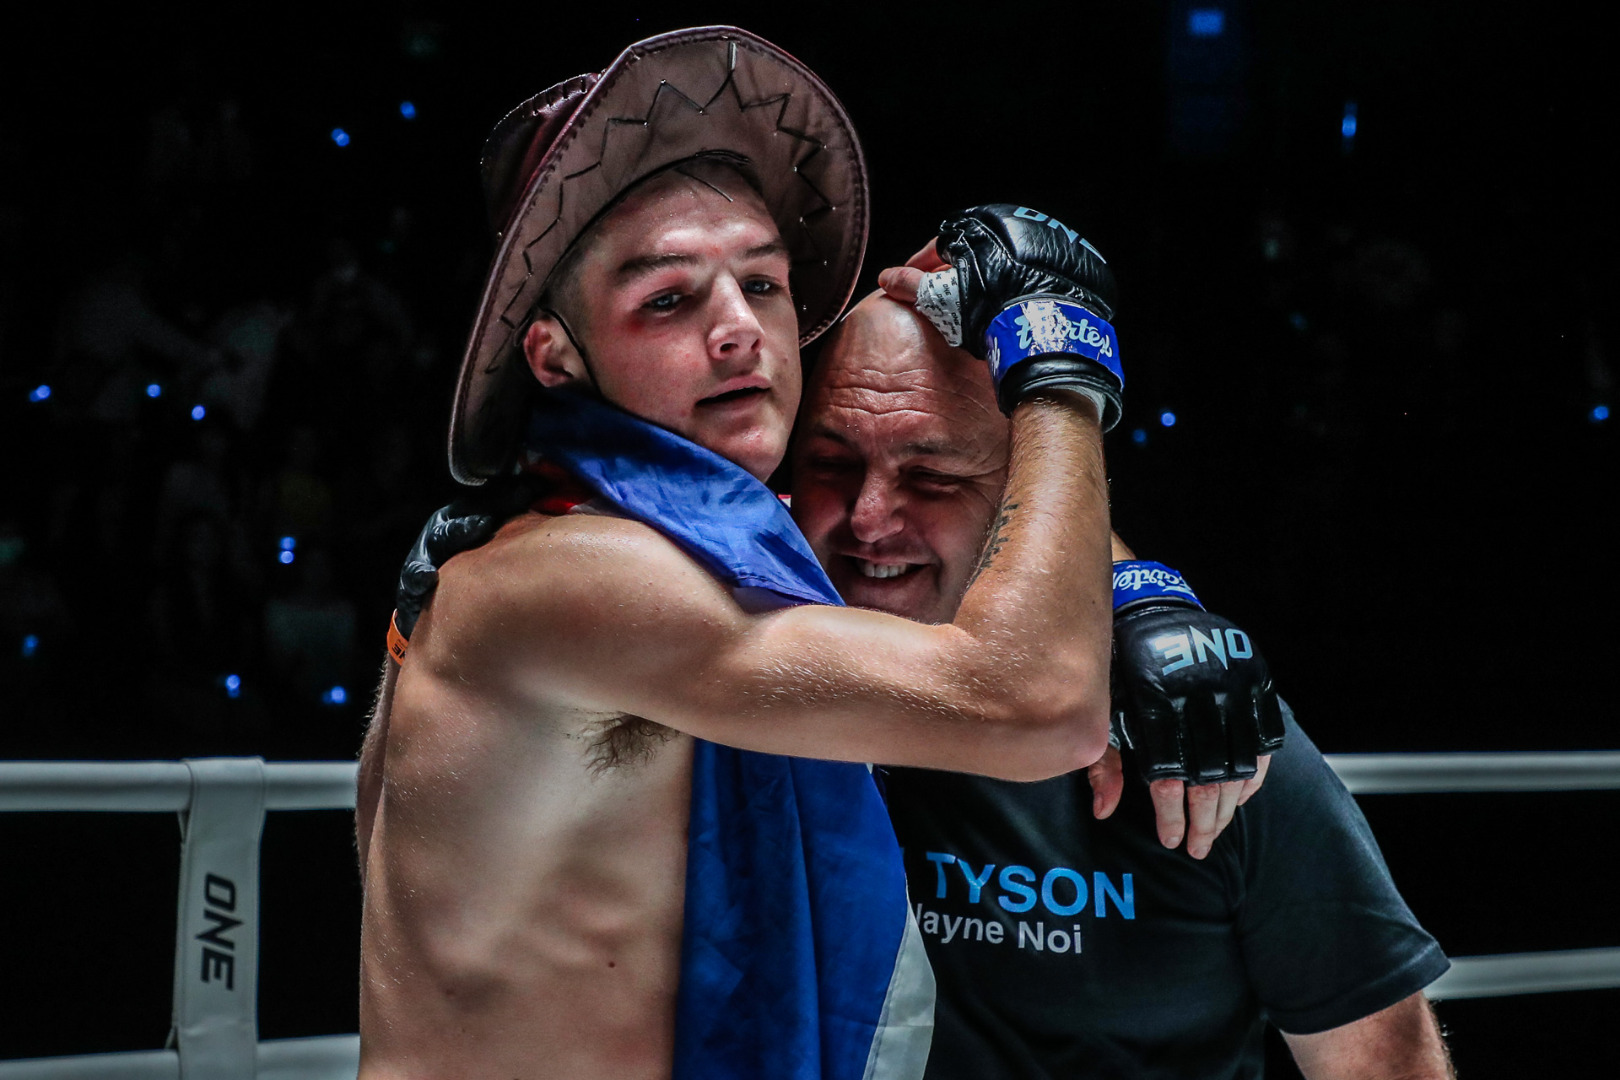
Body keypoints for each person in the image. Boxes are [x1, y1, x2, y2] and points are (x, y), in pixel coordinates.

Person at [356, 29, 1127, 1080]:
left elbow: (974, 550)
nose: (738, 331)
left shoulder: (707, 553)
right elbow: (1041, 701)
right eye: (668, 300)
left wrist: (1145, 595)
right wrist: (1060, 361)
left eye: (762, 286)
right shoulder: (587, 574)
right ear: (555, 354)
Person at [787, 281, 1455, 1079]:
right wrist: (1139, 590)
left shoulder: (1195, 728)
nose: (868, 516)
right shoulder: (753, 684)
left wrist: (1137, 601)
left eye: (931, 478)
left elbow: (1384, 1064)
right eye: (832, 464)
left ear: (1025, 504)